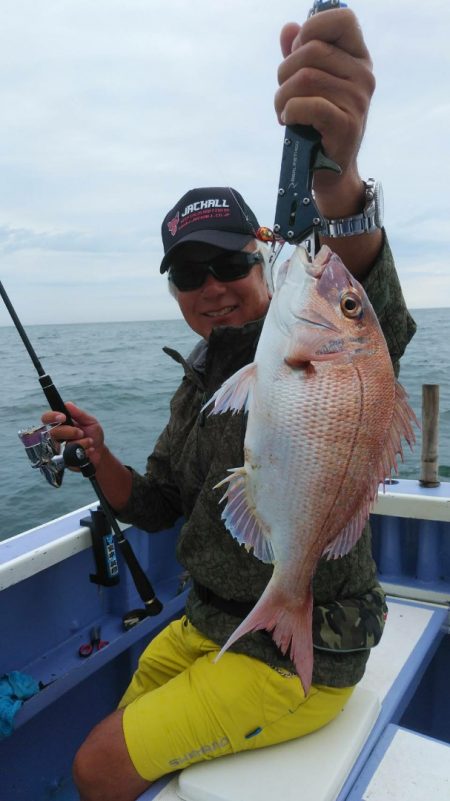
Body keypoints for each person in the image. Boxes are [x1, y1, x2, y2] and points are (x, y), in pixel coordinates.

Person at [42, 8, 416, 801]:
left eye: (224, 263)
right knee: (133, 702)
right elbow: (156, 505)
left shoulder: (309, 340)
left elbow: (367, 305)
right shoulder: (202, 378)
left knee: (94, 766)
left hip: (308, 641)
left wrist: (336, 184)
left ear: (263, 254)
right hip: (210, 618)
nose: (210, 288)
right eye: (187, 274)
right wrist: (98, 450)